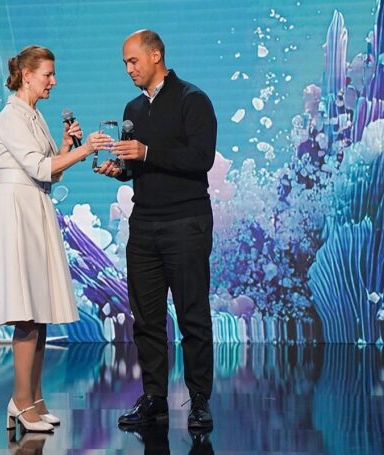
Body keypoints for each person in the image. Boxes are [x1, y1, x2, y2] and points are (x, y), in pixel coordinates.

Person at [97, 30, 217, 431]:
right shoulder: (133, 108)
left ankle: (199, 399)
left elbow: (200, 158)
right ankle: (154, 398)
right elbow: (137, 167)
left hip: (185, 221)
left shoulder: (192, 100)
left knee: (192, 315)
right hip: (144, 224)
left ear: (156, 55)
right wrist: (120, 170)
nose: (129, 69)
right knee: (146, 319)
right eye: (125, 64)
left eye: (133, 61)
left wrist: (147, 152)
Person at [0, 45, 111, 433]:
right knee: (25, 311)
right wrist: (85, 150)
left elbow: (50, 171)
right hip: (16, 210)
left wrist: (67, 147)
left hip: (34, 205)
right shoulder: (11, 117)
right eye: (47, 74)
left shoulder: (33, 115)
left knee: (37, 311)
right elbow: (38, 167)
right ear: (27, 76)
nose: (53, 81)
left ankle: (34, 399)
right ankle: (20, 401)